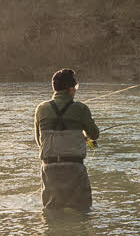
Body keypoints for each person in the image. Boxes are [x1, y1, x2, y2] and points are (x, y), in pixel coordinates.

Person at [34, 68, 100, 211]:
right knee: (82, 211)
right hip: (74, 168)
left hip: (49, 168)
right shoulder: (81, 108)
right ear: (71, 89)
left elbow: (40, 142)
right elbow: (94, 135)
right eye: (75, 87)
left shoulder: (41, 109)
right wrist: (84, 137)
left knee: (52, 213)